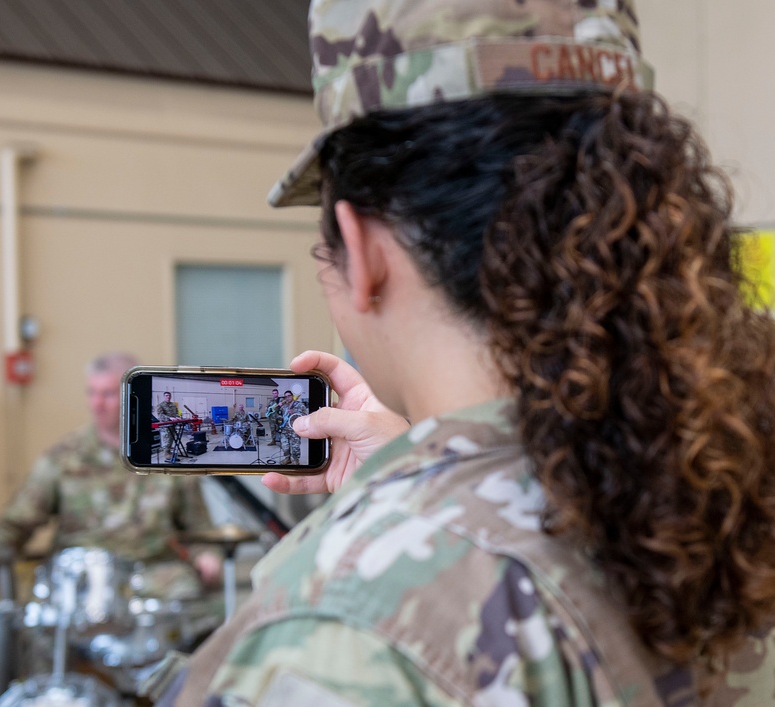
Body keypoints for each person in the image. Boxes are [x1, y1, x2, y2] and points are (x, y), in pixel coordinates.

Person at [147, 1, 775, 705]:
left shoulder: (345, 626)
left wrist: (416, 505)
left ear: (360, 251)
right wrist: (420, 467)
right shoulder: (726, 476)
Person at [0, 353, 221, 600]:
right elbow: (17, 522)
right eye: (92, 392)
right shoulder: (64, 457)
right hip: (81, 579)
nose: (97, 404)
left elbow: (199, 529)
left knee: (192, 597)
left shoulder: (166, 457)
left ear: (133, 396)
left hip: (153, 576)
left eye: (108, 394)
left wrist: (207, 556)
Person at [278, 390, 307, 465]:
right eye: (286, 396)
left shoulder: (299, 405)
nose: (287, 397)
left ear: (292, 396)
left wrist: (295, 411)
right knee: (284, 446)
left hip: (294, 430)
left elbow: (305, 415)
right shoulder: (284, 406)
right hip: (284, 430)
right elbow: (280, 415)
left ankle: (296, 460)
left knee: (295, 447)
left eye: (289, 396)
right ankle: (287, 459)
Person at [155, 390, 182, 462]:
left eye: (169, 395)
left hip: (173, 425)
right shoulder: (160, 405)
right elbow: (160, 415)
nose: (168, 397)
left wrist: (177, 417)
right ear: (164, 397)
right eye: (166, 396)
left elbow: (176, 412)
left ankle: (169, 452)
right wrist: (169, 418)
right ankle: (166, 454)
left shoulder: (173, 405)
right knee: (166, 439)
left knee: (172, 439)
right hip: (165, 426)